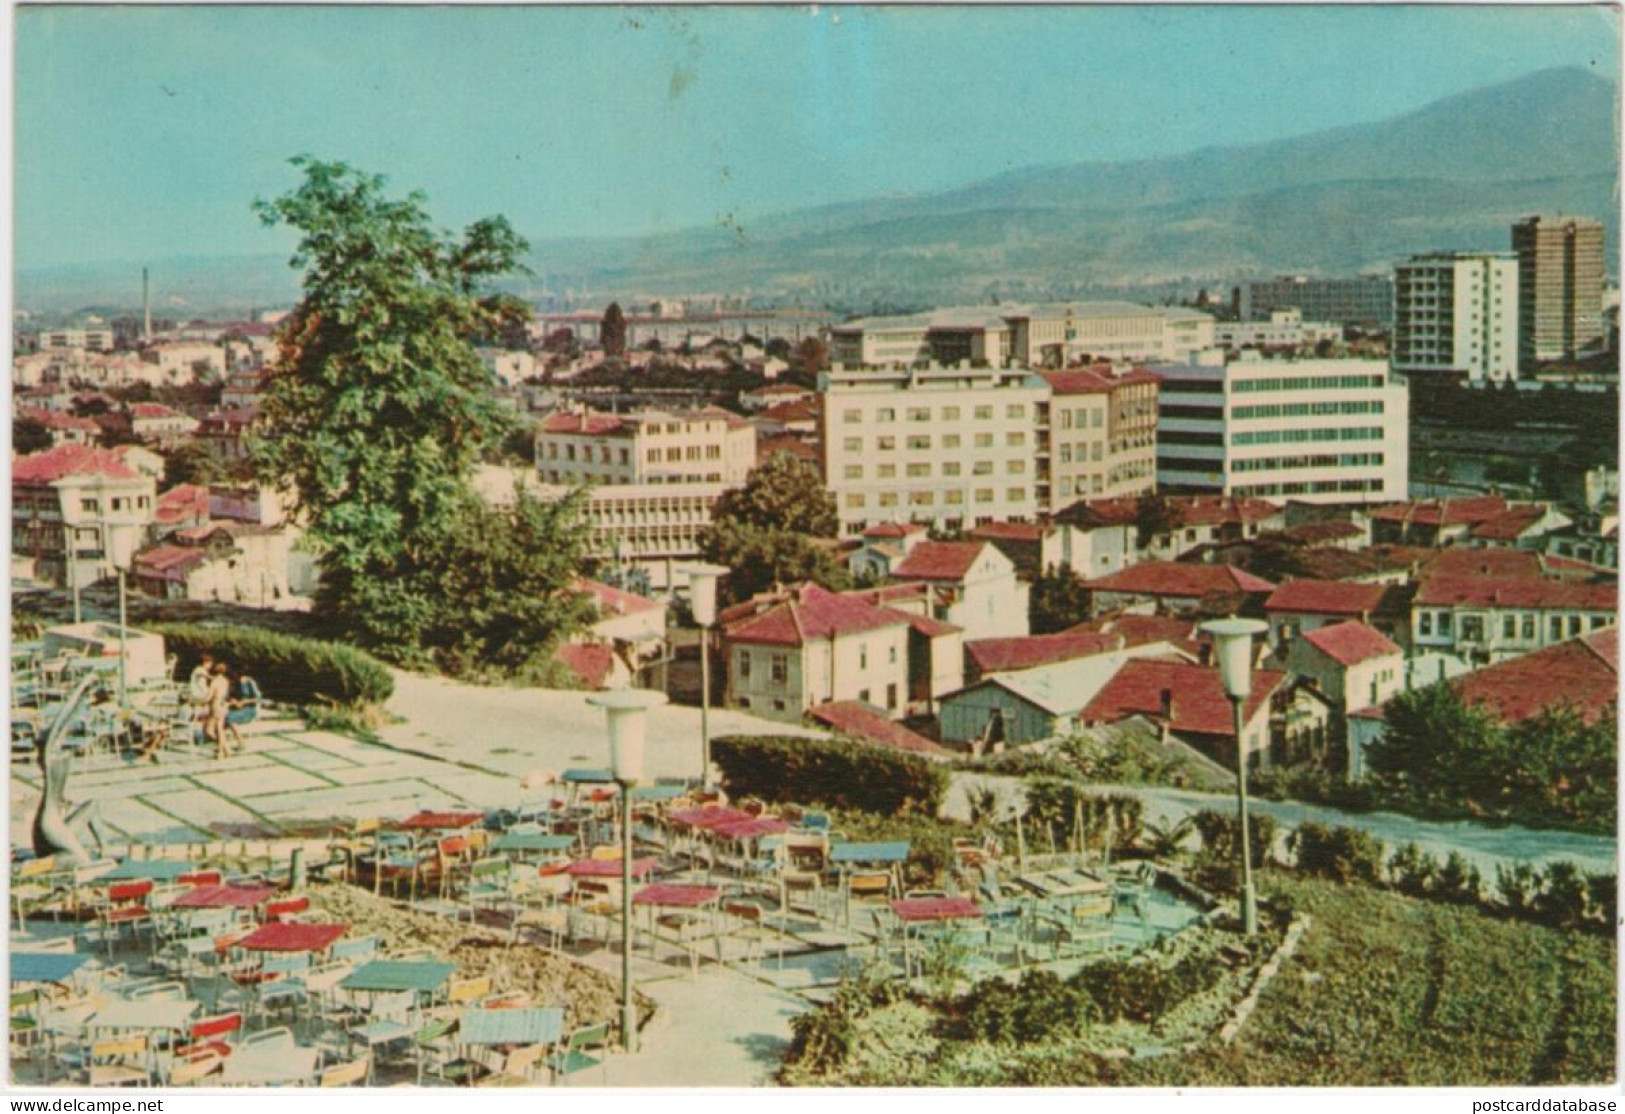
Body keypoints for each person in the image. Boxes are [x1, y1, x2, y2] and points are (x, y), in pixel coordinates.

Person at [223, 668, 261, 752]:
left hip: (250, 709)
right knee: (222, 718)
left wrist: (245, 702)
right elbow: (229, 696)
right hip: (238, 708)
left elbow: (258, 699)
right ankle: (223, 744)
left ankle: (241, 742)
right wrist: (233, 700)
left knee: (230, 718)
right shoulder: (235, 682)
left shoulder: (250, 682)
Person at [204, 662, 232, 760]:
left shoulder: (214, 682)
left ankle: (221, 750)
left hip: (216, 705)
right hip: (223, 705)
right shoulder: (225, 681)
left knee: (209, 730)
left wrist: (202, 701)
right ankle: (224, 749)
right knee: (220, 728)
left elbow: (210, 695)